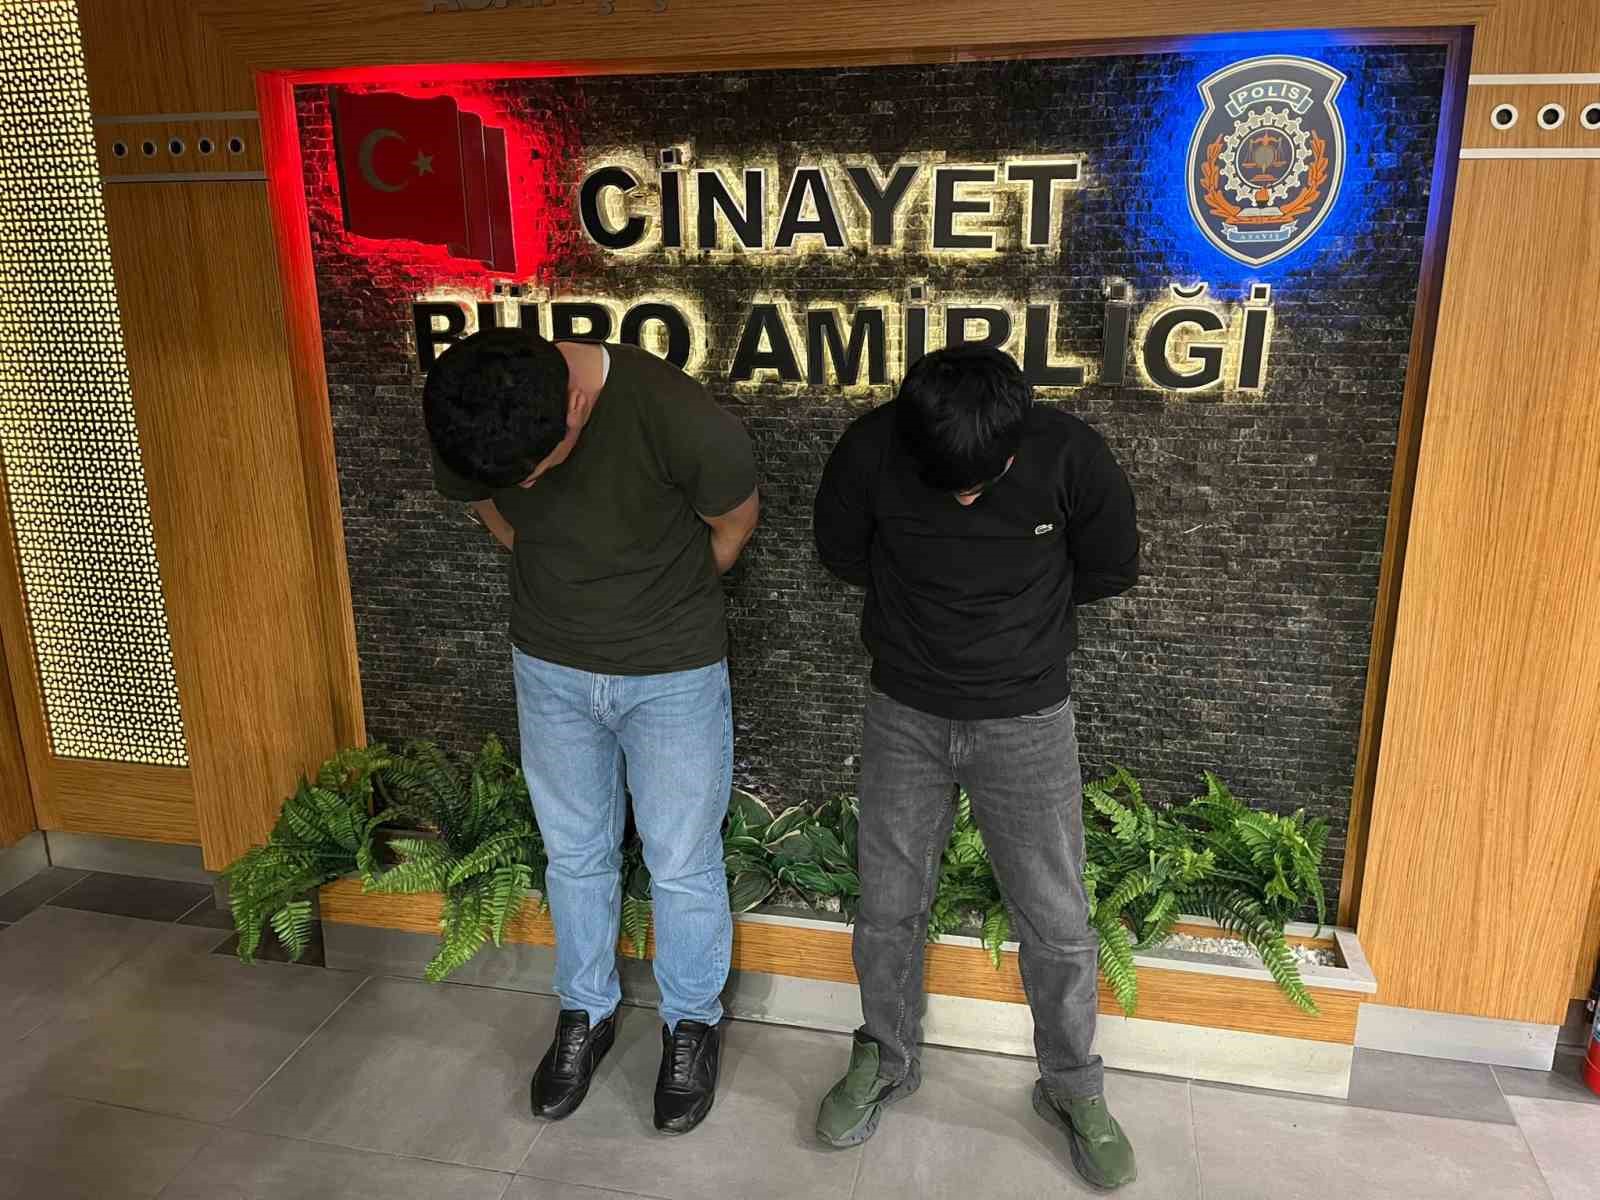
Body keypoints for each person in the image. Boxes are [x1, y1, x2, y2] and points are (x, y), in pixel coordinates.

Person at [811, 344, 1140, 1189]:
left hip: (1028, 719)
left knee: (1057, 918)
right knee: (887, 904)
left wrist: (1017, 628)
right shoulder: (870, 449)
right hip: (904, 711)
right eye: (946, 483)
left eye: (982, 483)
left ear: (1017, 438)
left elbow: (1109, 568)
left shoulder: (1072, 455)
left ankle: (1072, 1086)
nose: (964, 497)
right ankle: (885, 1059)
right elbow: (842, 554)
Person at [424, 328, 759, 1135]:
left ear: (575, 404)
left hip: (672, 669)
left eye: (537, 471)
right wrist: (545, 559)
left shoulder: (677, 416)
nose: (527, 486)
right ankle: (585, 1009)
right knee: (574, 852)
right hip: (548, 665)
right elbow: (488, 507)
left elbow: (734, 524)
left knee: (681, 859)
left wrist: (656, 599)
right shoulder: (471, 406)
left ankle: (692, 1023)